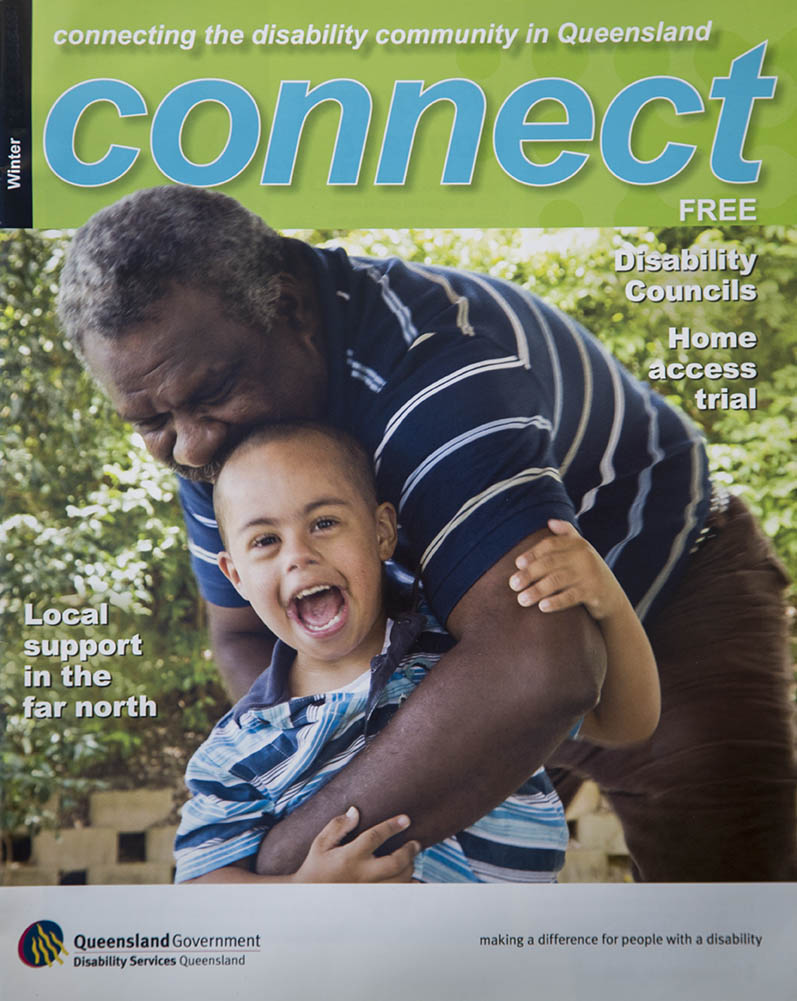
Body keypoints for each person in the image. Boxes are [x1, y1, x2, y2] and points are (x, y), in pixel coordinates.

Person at [56, 185, 795, 882]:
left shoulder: (436, 360)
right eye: (149, 423)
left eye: (208, 395)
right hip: (457, 660)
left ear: (286, 308)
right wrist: (306, 796)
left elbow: (541, 670)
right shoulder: (211, 432)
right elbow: (245, 634)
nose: (187, 449)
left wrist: (278, 868)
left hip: (657, 594)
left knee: (730, 911)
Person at [174, 423, 660, 884]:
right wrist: (304, 889)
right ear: (234, 575)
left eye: (324, 523)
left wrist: (608, 598)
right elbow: (199, 883)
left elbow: (626, 722)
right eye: (265, 541)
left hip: (517, 951)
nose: (298, 554)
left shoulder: (466, 657)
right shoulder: (239, 750)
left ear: (382, 532)